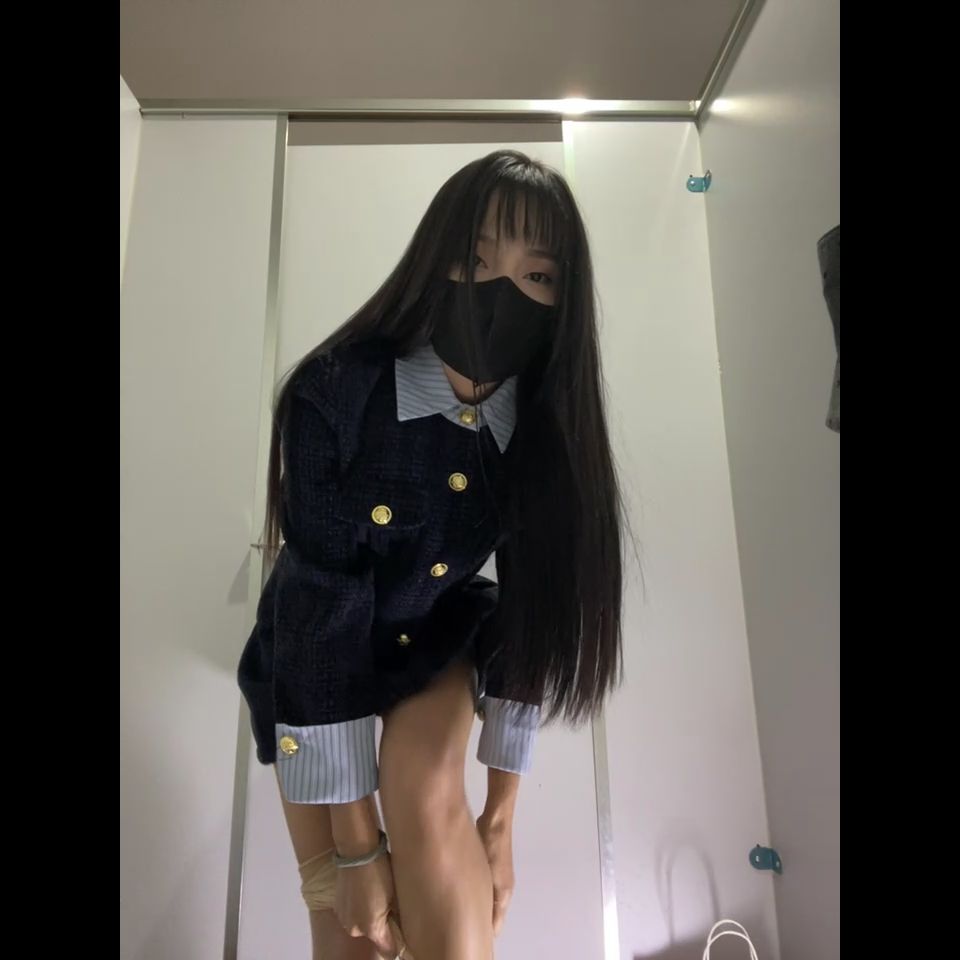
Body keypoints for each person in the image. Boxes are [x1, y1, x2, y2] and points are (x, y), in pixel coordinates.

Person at [237, 148, 628, 960]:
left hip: (431, 639)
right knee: (344, 914)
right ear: (433, 258)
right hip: (306, 661)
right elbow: (319, 607)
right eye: (473, 260)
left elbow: (529, 619)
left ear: (565, 300)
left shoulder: (545, 439)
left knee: (421, 787)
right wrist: (356, 851)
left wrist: (501, 823)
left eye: (537, 276)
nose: (499, 292)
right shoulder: (333, 393)